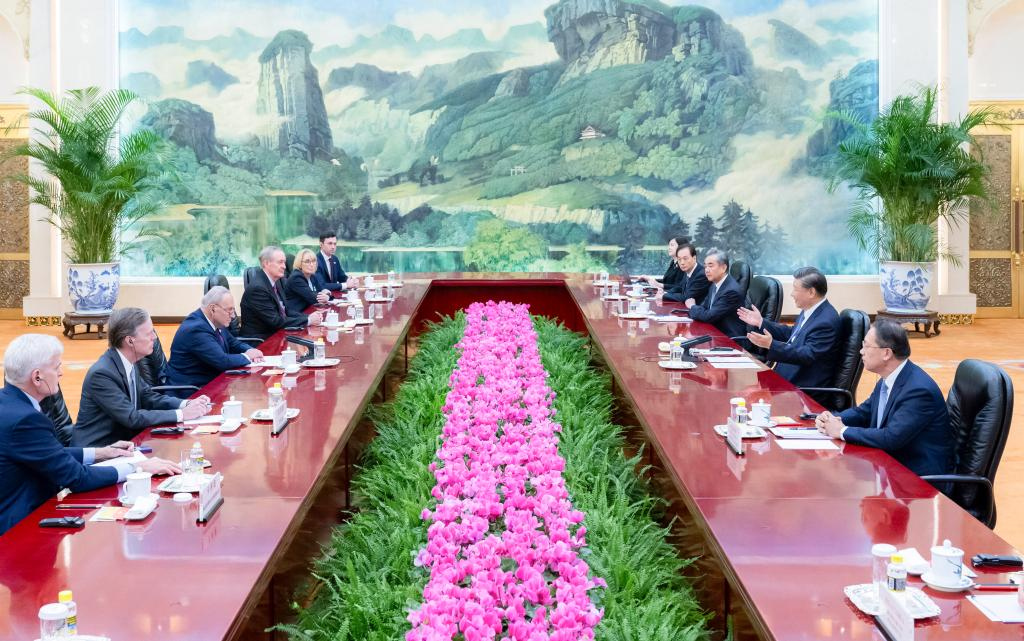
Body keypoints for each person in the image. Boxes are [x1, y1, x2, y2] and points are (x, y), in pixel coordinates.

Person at [1, 334, 179, 535]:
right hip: (20, 529)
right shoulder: (26, 420)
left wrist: (102, 453)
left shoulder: (8, 403)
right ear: (37, 377)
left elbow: (48, 453)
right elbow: (76, 478)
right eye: (57, 367)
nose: (61, 373)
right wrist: (138, 468)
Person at [817, 320, 953, 477]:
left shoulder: (918, 391)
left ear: (886, 353)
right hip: (888, 466)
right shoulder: (889, 378)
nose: (861, 351)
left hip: (917, 478)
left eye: (866, 346)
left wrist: (842, 431)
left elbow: (891, 438)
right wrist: (832, 419)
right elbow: (864, 412)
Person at [73, 308, 214, 448]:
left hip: (126, 444)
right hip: (98, 450)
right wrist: (181, 414)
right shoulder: (102, 374)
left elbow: (148, 396)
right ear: (130, 341)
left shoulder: (129, 362)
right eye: (149, 333)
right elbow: (131, 417)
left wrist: (186, 404)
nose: (154, 337)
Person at [737, 266, 839, 389]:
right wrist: (761, 322)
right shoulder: (811, 309)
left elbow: (807, 355)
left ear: (811, 292)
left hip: (802, 387)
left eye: (795, 289)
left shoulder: (826, 321)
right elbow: (793, 334)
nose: (792, 294)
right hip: (786, 375)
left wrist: (771, 345)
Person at [165, 286, 265, 388]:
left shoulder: (216, 322)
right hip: (191, 389)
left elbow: (234, 343)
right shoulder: (196, 329)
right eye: (229, 310)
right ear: (213, 309)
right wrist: (248, 356)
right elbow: (222, 361)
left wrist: (251, 350)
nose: (233, 316)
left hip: (209, 383)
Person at [241, 246, 323, 340]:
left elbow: (286, 311)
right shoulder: (258, 288)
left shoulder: (278, 281)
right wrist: (308, 320)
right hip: (261, 341)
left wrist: (308, 317)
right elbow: (275, 321)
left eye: (284, 262)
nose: (284, 266)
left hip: (278, 334)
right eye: (280, 262)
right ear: (266, 263)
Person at [684, 248, 747, 338]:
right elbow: (705, 308)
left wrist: (692, 306)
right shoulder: (715, 284)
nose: (706, 270)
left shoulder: (731, 291)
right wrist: (696, 309)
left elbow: (709, 316)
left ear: (723, 268)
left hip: (728, 339)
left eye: (711, 266)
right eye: (705, 266)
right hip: (713, 332)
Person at [284, 248, 331, 315]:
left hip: (309, 310)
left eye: (314, 261)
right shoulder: (296, 277)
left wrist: (327, 295)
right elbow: (312, 297)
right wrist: (326, 296)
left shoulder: (312, 276)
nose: (311, 264)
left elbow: (322, 290)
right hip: (296, 315)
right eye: (307, 261)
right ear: (300, 263)